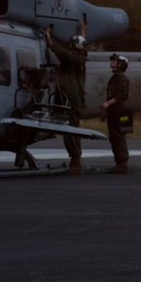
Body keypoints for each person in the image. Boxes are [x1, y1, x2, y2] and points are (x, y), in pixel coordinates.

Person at [46, 22, 88, 174]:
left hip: (70, 99)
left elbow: (58, 51)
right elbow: (83, 45)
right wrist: (83, 31)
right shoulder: (82, 56)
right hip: (77, 99)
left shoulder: (70, 58)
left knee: (70, 131)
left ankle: (76, 162)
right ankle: (75, 161)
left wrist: (48, 36)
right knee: (73, 128)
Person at [100, 53, 131, 174]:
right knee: (114, 136)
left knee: (118, 136)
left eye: (114, 60)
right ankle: (119, 163)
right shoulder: (116, 77)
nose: (112, 62)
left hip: (119, 110)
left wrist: (107, 104)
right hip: (115, 110)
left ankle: (123, 163)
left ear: (120, 64)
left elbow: (121, 95)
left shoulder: (121, 78)